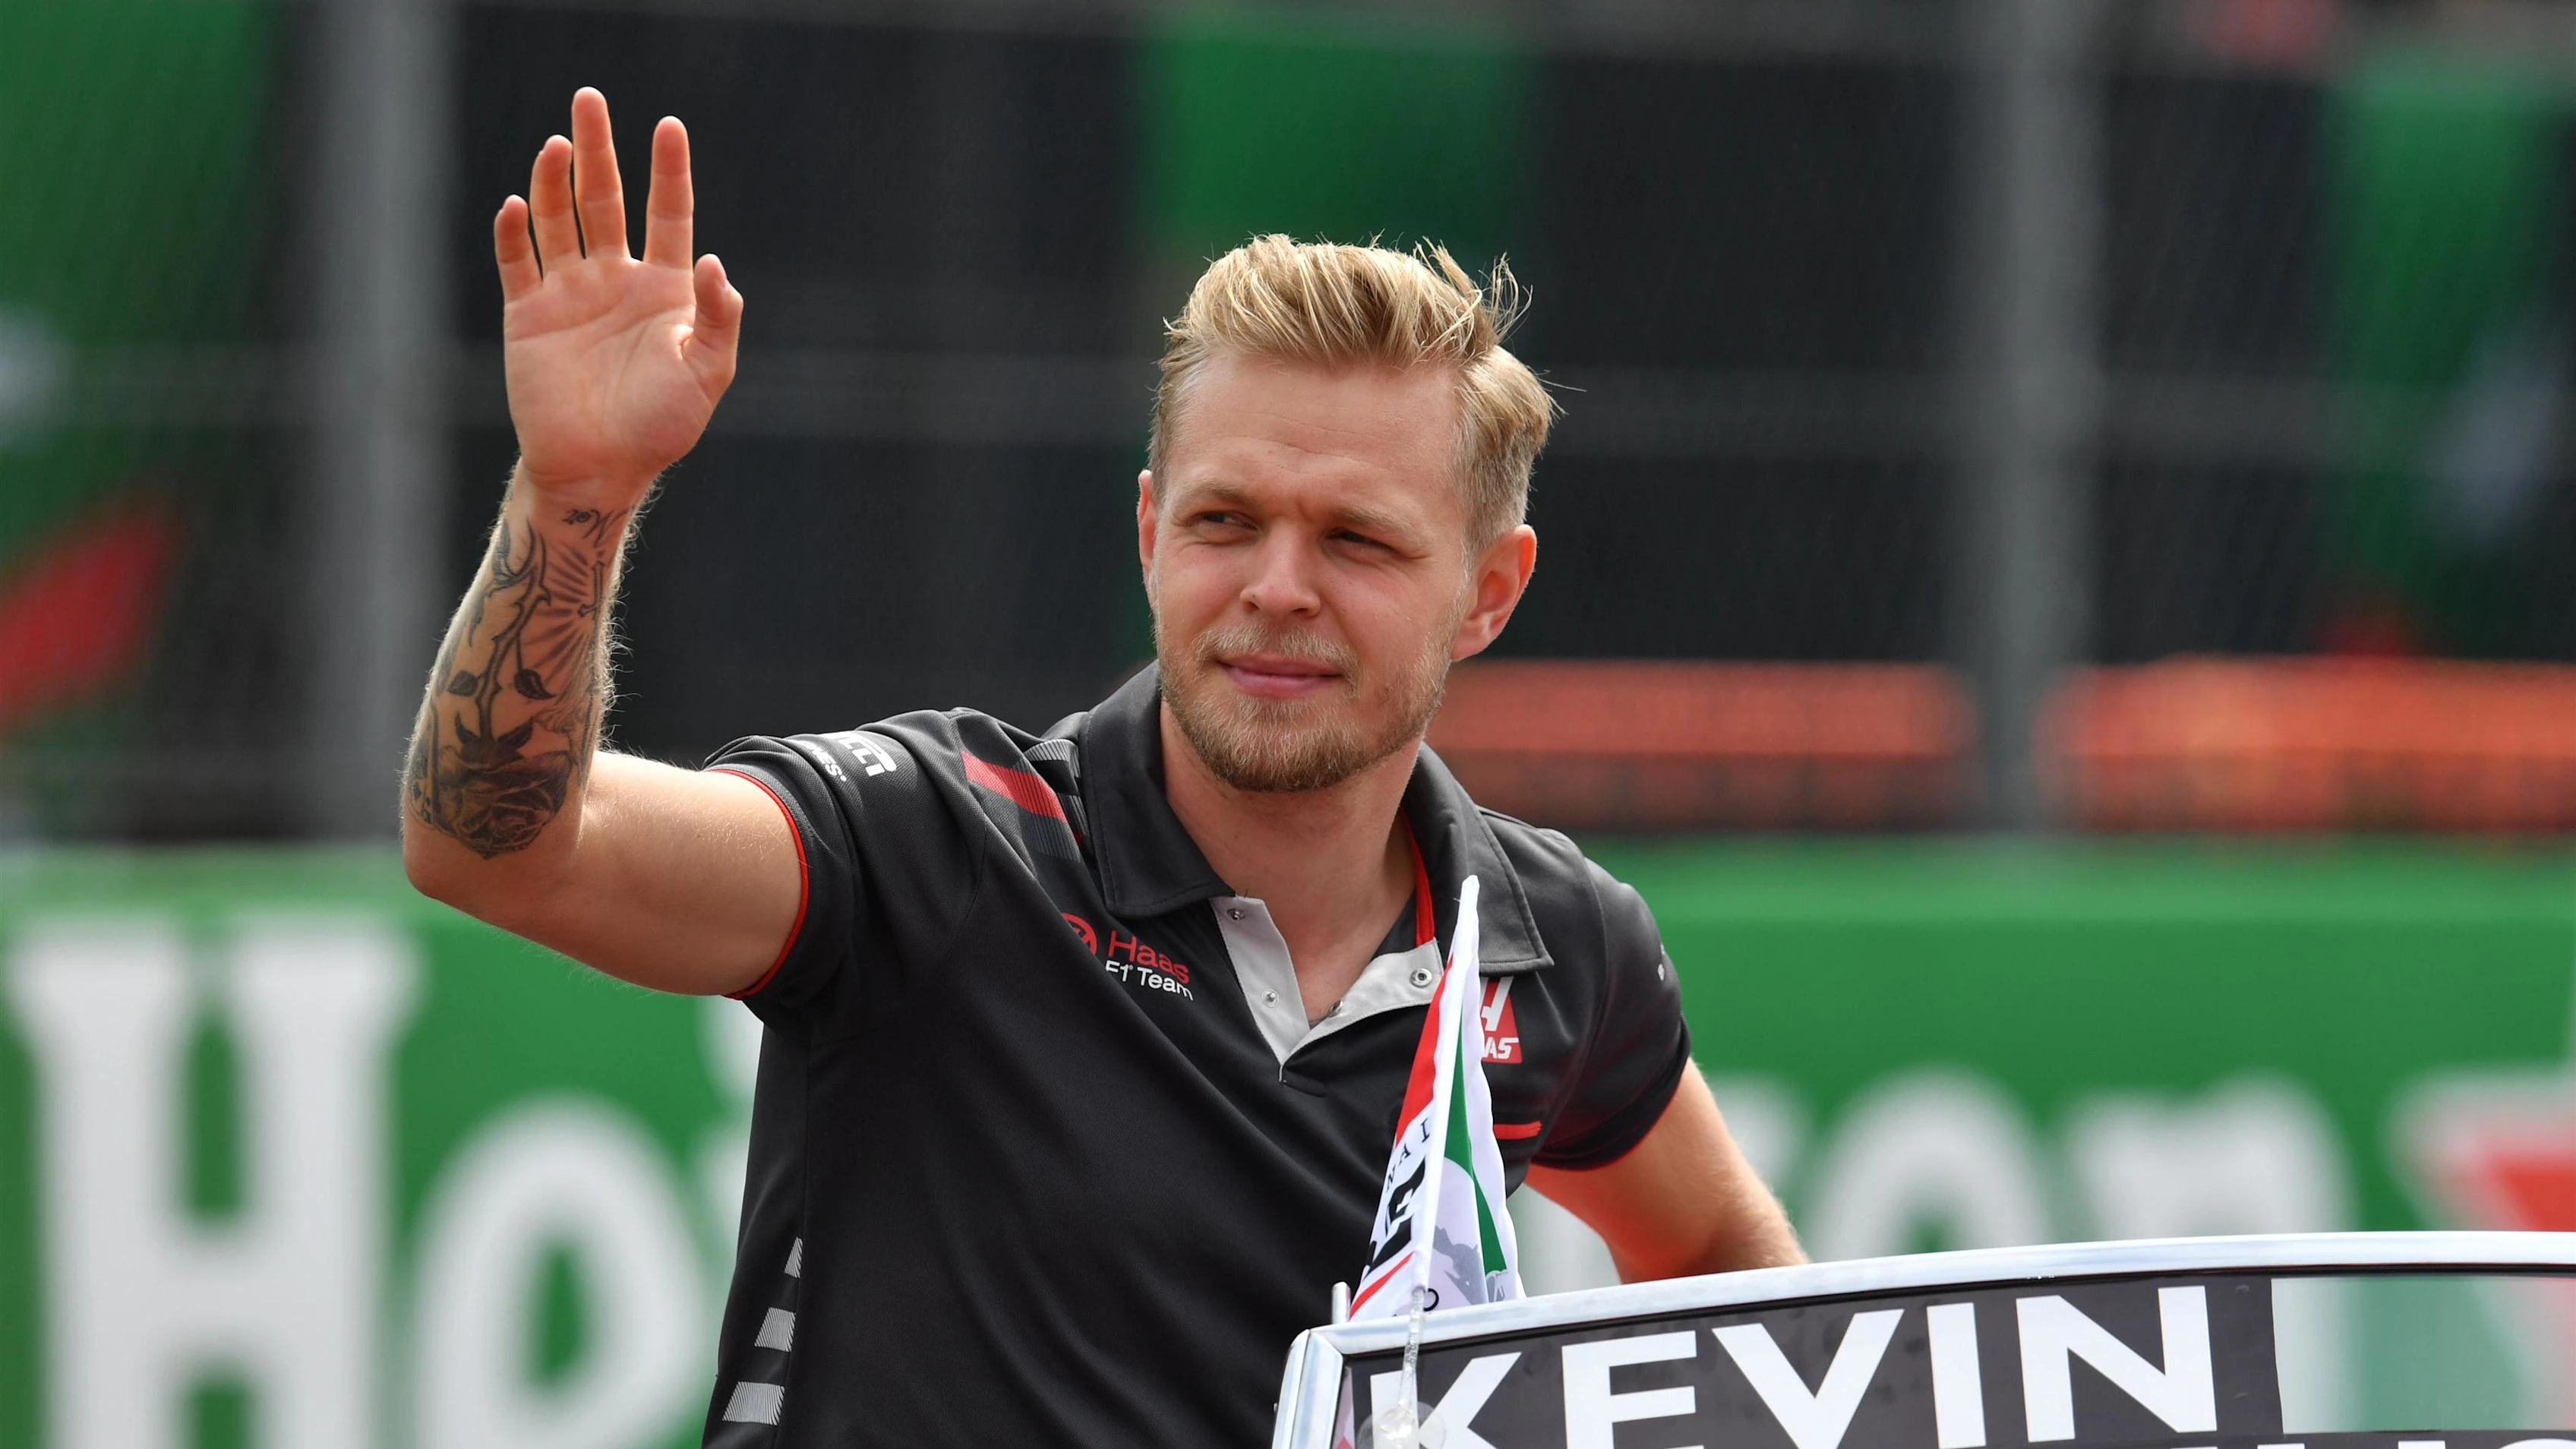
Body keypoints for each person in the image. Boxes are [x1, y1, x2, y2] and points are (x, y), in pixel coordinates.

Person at [403, 87, 1803, 1449]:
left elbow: (1729, 1271)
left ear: (1490, 591)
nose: (1276, 587)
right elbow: (501, 848)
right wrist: (576, 494)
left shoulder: (1550, 945)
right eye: (1224, 521)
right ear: (1148, 533)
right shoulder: (940, 843)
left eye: (1357, 541)